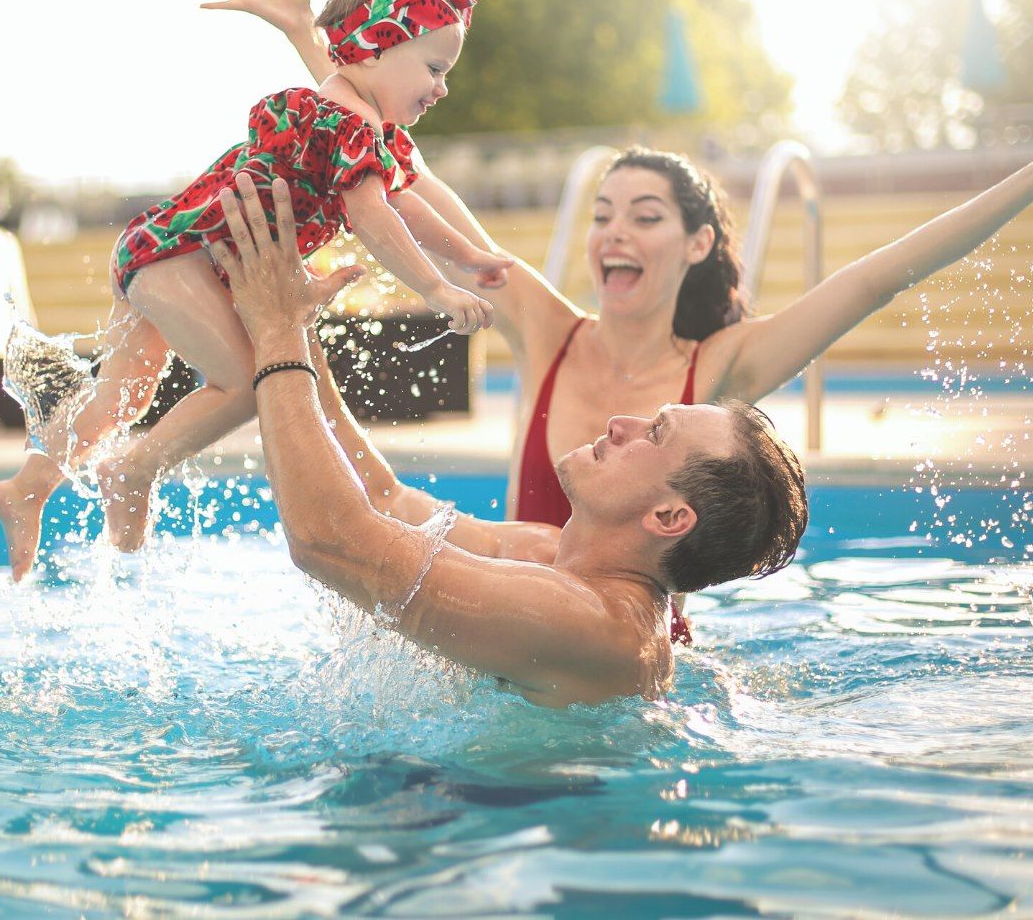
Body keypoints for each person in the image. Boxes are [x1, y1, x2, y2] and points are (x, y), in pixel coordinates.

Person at [191, 0, 1033, 641]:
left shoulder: (717, 379)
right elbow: (403, 171)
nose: (610, 234)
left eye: (642, 214)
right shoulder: (549, 332)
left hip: (561, 639)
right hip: (512, 601)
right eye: (602, 211)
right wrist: (313, 46)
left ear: (696, 243)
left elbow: (879, 273)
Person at [0, 0, 513, 578]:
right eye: (433, 67)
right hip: (183, 258)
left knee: (124, 395)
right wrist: (436, 289)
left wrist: (471, 256)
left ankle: (28, 485)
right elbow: (378, 220)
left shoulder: (360, 125)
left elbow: (405, 203)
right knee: (246, 384)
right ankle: (132, 471)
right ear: (374, 49)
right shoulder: (343, 122)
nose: (442, 87)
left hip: (162, 250)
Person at [210, 172, 809, 706]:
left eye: (654, 432)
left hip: (499, 818)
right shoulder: (554, 557)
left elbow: (331, 544)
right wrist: (296, 324)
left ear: (671, 516)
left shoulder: (589, 625)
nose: (619, 424)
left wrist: (276, 333)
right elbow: (384, 502)